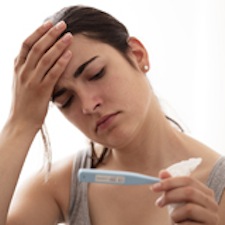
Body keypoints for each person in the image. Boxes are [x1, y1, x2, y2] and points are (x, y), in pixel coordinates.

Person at [0, 5, 224, 225]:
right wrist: (20, 123)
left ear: (138, 55)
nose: (88, 105)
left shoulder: (218, 186)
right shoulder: (59, 185)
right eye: (65, 100)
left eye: (96, 74)